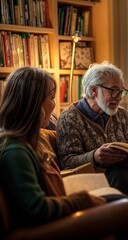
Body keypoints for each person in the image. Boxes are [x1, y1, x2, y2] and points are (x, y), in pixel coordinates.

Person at [56, 62, 128, 240]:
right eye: (113, 90)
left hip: (124, 176)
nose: (119, 97)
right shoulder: (69, 118)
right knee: (118, 173)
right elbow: (67, 161)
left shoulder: (122, 116)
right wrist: (95, 157)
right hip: (91, 181)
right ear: (93, 90)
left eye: (121, 91)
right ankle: (127, 235)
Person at [0, 67, 106, 228]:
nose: (54, 103)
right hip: (42, 229)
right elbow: (36, 209)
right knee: (125, 208)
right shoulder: (15, 151)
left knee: (117, 202)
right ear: (33, 103)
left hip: (55, 217)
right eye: (51, 97)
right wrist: (83, 199)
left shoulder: (32, 141)